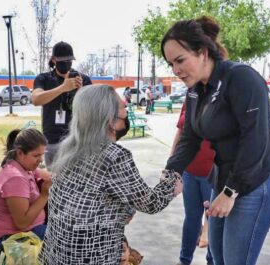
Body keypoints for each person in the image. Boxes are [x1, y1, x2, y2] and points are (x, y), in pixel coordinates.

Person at [161, 16, 270, 265]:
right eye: (171, 64)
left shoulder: (241, 78)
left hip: (258, 182)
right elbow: (190, 137)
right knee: (217, 259)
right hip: (223, 180)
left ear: (202, 52)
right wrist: (172, 171)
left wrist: (230, 191)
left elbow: (256, 141)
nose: (175, 70)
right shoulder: (196, 90)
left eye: (180, 60)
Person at [40, 84, 183, 264]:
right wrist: (171, 184)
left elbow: (89, 201)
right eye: (123, 107)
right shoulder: (114, 157)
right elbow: (150, 203)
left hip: (57, 254)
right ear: (110, 119)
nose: (126, 110)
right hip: (90, 257)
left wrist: (124, 211)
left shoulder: (68, 148)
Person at [0, 128, 52, 251]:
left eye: (42, 154)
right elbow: (22, 223)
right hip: (15, 238)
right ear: (20, 153)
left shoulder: (22, 166)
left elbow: (48, 176)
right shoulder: (15, 178)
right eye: (36, 155)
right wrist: (44, 195)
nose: (41, 160)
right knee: (70, 240)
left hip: (29, 231)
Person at [32, 41, 92, 169]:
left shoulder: (83, 79)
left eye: (69, 60)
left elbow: (91, 110)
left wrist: (80, 92)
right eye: (62, 61)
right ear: (54, 60)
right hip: (52, 140)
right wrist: (62, 88)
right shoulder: (44, 78)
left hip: (77, 140)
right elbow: (36, 99)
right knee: (54, 181)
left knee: (77, 181)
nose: (66, 64)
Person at [171, 101, 214, 265]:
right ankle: (184, 261)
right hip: (189, 171)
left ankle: (212, 260)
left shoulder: (221, 99)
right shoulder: (189, 99)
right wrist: (172, 162)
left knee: (213, 222)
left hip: (213, 174)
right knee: (192, 218)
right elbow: (180, 132)